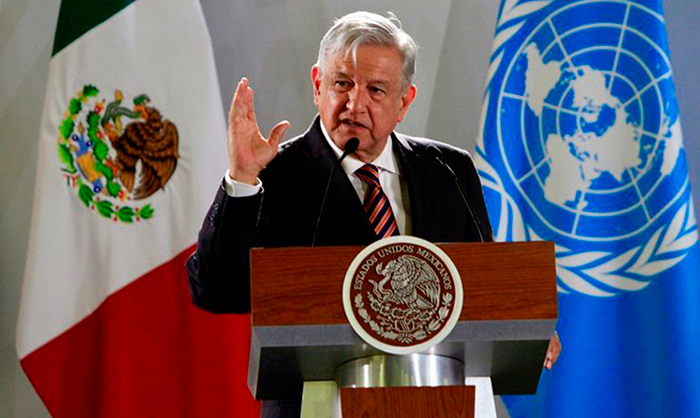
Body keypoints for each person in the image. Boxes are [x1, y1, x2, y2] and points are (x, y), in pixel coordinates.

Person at [186, 11, 560, 369]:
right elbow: (217, 291)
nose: (355, 104)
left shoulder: (447, 170)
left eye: (376, 90)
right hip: (315, 397)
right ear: (317, 86)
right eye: (342, 84)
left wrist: (523, 320)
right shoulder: (272, 175)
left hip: (436, 392)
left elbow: (479, 284)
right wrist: (242, 178)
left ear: (404, 102)